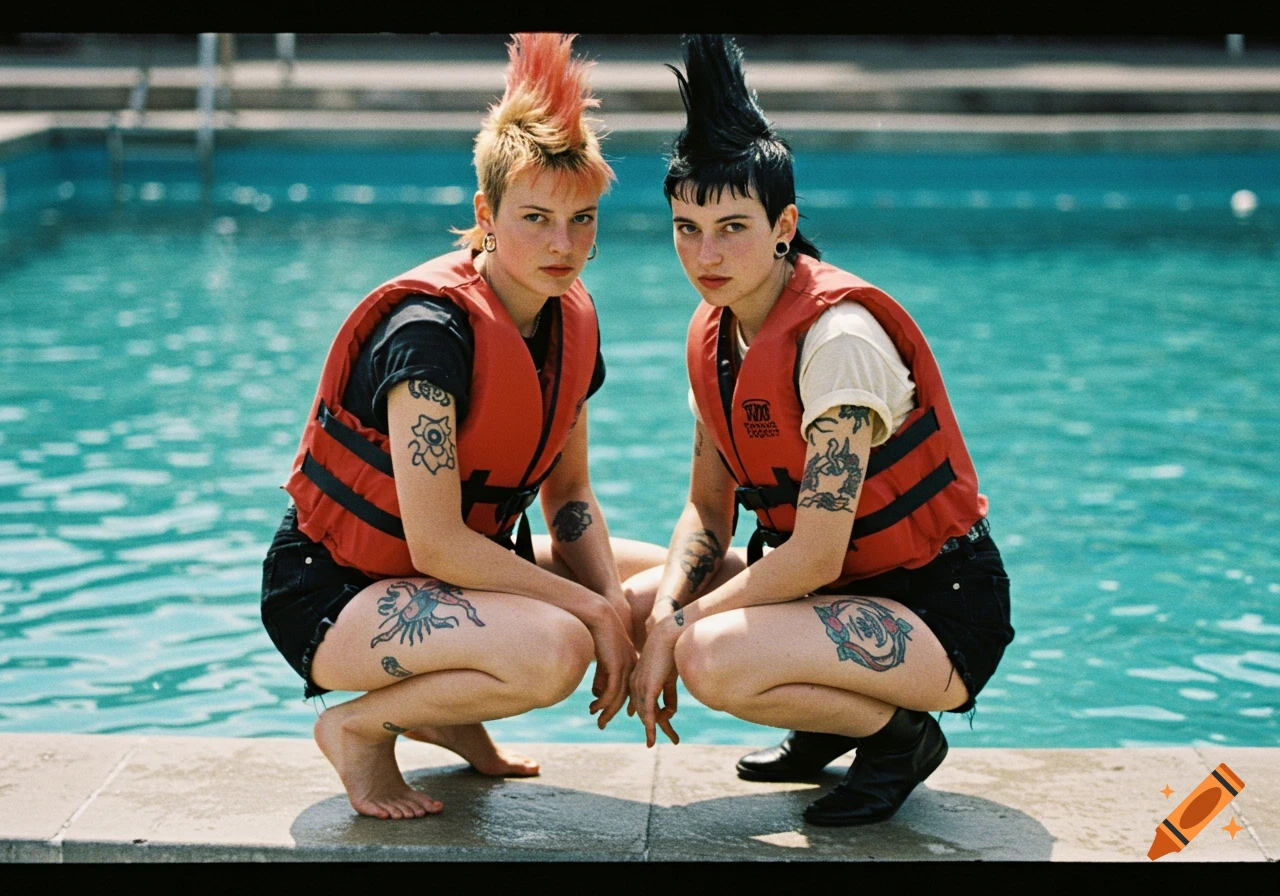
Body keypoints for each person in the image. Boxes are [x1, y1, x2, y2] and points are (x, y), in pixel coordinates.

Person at [261, 33, 665, 820]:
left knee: (684, 581)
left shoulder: (569, 320)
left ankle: (446, 709)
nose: (562, 244)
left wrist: (613, 603)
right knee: (557, 650)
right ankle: (357, 728)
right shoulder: (428, 337)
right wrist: (592, 612)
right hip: (338, 592)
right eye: (536, 217)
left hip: (453, 575)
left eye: (581, 219)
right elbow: (438, 545)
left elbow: (569, 496)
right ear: (486, 214)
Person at [625, 35, 1015, 827]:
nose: (705, 253)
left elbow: (815, 554)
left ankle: (899, 739)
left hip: (934, 611)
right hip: (837, 594)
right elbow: (706, 511)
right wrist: (664, 612)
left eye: (732, 226)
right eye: (686, 227)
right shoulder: (715, 332)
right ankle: (828, 721)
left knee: (707, 655)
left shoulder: (838, 342)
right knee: (635, 605)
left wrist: (681, 629)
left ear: (785, 224)